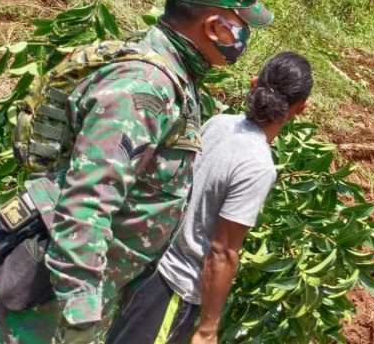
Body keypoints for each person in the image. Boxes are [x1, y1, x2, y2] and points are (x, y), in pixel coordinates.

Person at [0, 0, 274, 344]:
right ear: (215, 25)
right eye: (241, 24)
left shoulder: (176, 78)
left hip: (66, 287)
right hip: (44, 302)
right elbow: (88, 200)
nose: (245, 36)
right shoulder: (144, 88)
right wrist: (81, 314)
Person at [104, 52, 313, 344]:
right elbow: (222, 252)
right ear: (300, 109)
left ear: (254, 84)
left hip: (149, 263)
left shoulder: (219, 123)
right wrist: (208, 327)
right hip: (174, 288)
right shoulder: (258, 165)